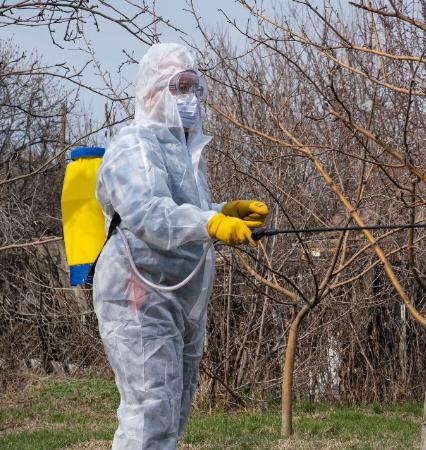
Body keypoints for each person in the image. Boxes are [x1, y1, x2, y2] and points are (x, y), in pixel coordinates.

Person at [93, 43, 268, 449]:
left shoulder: (185, 151)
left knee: (173, 407)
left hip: (178, 296)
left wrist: (225, 211)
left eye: (193, 87)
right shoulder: (133, 146)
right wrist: (211, 221)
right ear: (151, 93)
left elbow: (182, 210)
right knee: (149, 408)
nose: (187, 98)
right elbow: (148, 213)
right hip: (139, 293)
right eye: (177, 87)